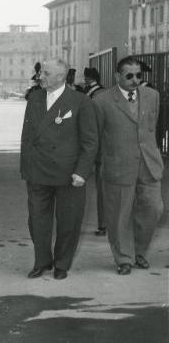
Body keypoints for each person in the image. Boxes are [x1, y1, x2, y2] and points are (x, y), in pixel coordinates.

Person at [20, 58, 98, 280]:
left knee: (69, 221)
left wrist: (82, 171)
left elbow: (90, 141)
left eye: (45, 73)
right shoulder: (34, 98)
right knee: (37, 220)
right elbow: (27, 137)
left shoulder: (80, 101)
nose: (40, 76)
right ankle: (42, 261)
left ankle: (62, 263)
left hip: (69, 174)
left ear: (60, 77)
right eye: (41, 73)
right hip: (37, 172)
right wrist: (26, 167)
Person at [93, 57, 164, 276]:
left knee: (154, 208)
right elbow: (95, 136)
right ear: (117, 77)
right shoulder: (101, 101)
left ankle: (139, 252)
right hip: (118, 166)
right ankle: (124, 258)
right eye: (129, 76)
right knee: (119, 215)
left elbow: (153, 128)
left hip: (149, 165)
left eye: (139, 76)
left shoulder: (152, 96)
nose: (135, 80)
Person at [82, 67, 106, 236]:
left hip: (100, 148)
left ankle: (104, 224)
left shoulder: (97, 95)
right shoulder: (99, 93)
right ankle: (103, 223)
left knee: (103, 188)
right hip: (100, 148)